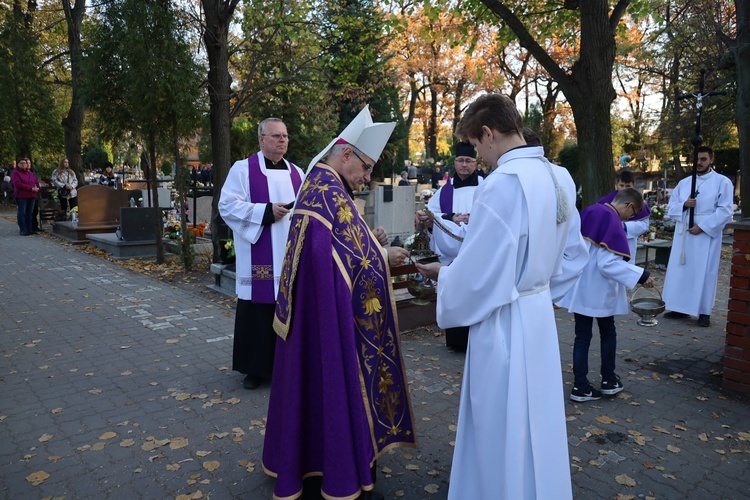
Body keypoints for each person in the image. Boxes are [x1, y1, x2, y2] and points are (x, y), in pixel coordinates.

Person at [416, 94, 588, 499]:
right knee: (538, 415)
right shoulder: (558, 176)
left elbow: (479, 274)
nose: (480, 155)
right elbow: (575, 253)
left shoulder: (502, 184)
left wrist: (445, 276)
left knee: (499, 414)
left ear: (489, 134)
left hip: (504, 318)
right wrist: (546, 286)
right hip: (538, 314)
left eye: (477, 146)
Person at [263, 105, 416, 500]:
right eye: (365, 167)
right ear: (345, 153)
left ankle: (305, 460)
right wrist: (385, 256)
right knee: (332, 383)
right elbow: (350, 259)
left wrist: (373, 241)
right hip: (326, 318)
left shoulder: (322, 185)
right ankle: (337, 468)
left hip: (314, 313)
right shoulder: (328, 191)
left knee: (309, 386)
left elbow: (343, 248)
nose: (367, 177)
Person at [218, 117, 304, 390]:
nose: (282, 140)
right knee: (258, 310)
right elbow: (227, 205)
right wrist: (266, 211)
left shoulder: (298, 174)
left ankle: (288, 366)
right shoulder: (243, 170)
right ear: (261, 139)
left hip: (290, 255)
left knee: (289, 308)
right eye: (276, 135)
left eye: (285, 136)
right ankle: (255, 369)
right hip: (260, 256)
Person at [558, 188, 654, 402]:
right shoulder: (612, 219)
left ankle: (580, 386)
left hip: (581, 287)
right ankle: (609, 380)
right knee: (607, 332)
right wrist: (641, 275)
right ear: (629, 205)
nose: (629, 218)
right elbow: (607, 264)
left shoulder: (591, 210)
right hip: (601, 291)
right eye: (633, 213)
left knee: (582, 337)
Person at [417, 141, 484, 350]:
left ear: (476, 163)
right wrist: (449, 217)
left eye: (468, 161)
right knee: (455, 293)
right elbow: (432, 215)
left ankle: (478, 340)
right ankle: (456, 341)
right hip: (451, 254)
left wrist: (472, 218)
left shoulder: (486, 185)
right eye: (460, 161)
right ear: (454, 163)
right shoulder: (445, 191)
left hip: (478, 250)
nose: (464, 165)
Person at [662, 145, 733, 327]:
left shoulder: (722, 182)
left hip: (706, 234)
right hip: (684, 233)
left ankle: (703, 312)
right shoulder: (684, 183)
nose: (699, 163)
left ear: (711, 160)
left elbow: (725, 210)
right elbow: (671, 208)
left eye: (703, 159)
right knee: (681, 271)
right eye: (697, 160)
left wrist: (702, 226)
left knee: (704, 272)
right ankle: (679, 307)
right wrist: (684, 205)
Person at [598, 170, 650, 259]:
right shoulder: (605, 201)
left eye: (628, 186)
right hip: (607, 240)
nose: (624, 189)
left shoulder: (639, 203)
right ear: (616, 185)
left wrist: (624, 226)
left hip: (628, 241)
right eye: (621, 185)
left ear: (633, 186)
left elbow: (644, 224)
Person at [11, 158, 40, 236]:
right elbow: (17, 184)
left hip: (32, 195)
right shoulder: (15, 173)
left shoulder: (30, 173)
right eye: (22, 163)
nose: (24, 165)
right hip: (22, 195)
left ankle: (29, 228)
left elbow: (35, 181)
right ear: (18, 164)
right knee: (22, 212)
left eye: (25, 163)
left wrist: (38, 188)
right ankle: (23, 229)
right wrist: (30, 188)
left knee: (29, 212)